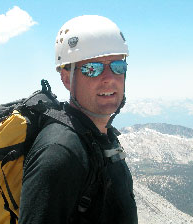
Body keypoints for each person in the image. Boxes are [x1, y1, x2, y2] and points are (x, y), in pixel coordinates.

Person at [19, 15, 138, 224]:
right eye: (92, 68)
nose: (109, 78)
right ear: (66, 78)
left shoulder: (99, 137)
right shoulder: (60, 153)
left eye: (118, 66)